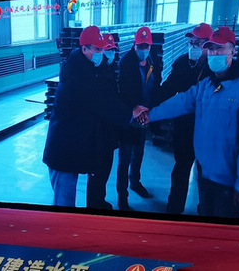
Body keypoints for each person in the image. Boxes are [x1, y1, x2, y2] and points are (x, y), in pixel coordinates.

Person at [143, 26, 239, 219]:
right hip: (206, 175)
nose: (214, 53)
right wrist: (149, 115)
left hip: (228, 181)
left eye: (220, 48)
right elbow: (181, 101)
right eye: (211, 49)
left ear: (233, 51)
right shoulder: (206, 86)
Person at [43, 25, 147, 208]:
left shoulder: (88, 67)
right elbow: (99, 101)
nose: (101, 53)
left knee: (68, 198)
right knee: (64, 203)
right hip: (63, 149)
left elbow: (105, 97)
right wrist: (130, 113)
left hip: (72, 146)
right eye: (97, 49)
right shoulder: (77, 74)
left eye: (102, 49)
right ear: (84, 49)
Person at [154, 22, 213, 214]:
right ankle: (174, 208)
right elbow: (167, 89)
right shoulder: (182, 64)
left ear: (208, 45)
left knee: (207, 173)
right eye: (191, 42)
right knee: (181, 168)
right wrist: (149, 106)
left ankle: (206, 208)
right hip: (185, 127)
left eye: (198, 43)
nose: (193, 46)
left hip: (207, 130)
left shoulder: (215, 69)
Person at [116, 26, 161, 210]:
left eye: (146, 46)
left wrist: (151, 111)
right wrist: (133, 109)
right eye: (140, 46)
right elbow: (122, 92)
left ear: (150, 46)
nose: (143, 49)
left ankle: (135, 182)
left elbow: (155, 86)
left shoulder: (152, 61)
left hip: (145, 117)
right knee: (124, 158)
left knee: (139, 153)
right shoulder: (126, 63)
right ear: (134, 45)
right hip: (130, 119)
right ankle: (122, 196)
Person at [86, 32, 120, 209]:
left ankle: (100, 199)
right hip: (98, 132)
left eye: (112, 50)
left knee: (106, 167)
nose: (110, 53)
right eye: (107, 50)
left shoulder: (109, 70)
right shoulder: (95, 74)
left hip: (108, 131)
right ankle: (93, 204)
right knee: (97, 170)